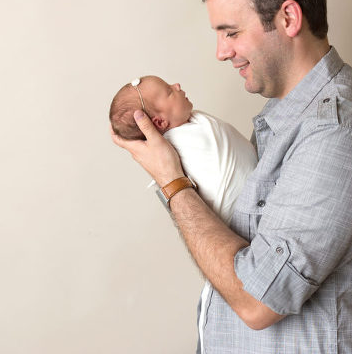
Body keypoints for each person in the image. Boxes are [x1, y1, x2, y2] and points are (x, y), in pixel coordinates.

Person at [112, 0, 352, 353]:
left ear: (288, 18)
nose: (221, 52)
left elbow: (257, 300)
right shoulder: (288, 117)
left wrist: (172, 181)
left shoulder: (336, 134)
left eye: (231, 32)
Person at [109, 75, 258, 352]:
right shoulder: (178, 147)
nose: (177, 86)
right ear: (159, 123)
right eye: (169, 91)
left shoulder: (192, 123)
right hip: (237, 236)